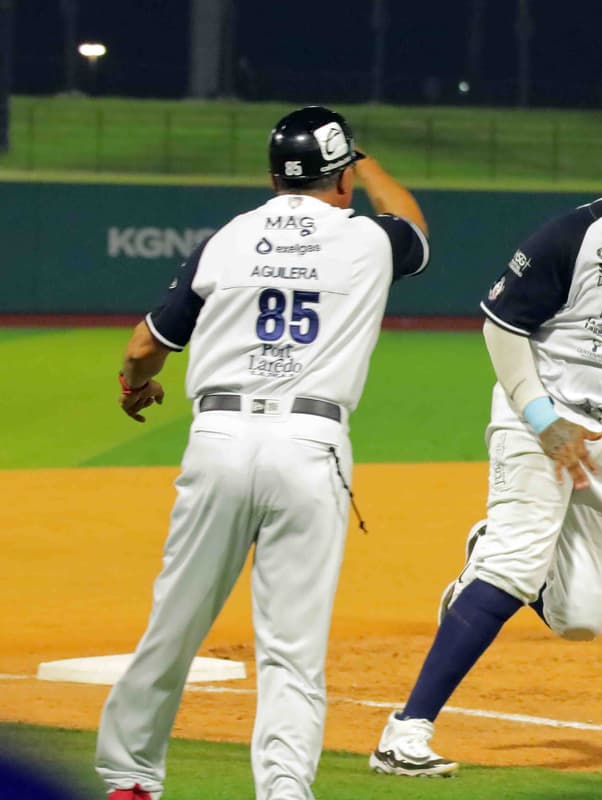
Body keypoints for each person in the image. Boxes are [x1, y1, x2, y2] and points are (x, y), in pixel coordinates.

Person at [368, 100, 602, 776]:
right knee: (514, 568)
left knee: (580, 619)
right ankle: (405, 731)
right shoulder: (573, 237)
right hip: (540, 418)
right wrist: (541, 418)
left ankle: (486, 553)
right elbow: (500, 327)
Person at [96, 106, 430, 800]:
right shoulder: (367, 239)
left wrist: (135, 386)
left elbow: (142, 348)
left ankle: (130, 779)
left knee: (173, 623)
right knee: (291, 648)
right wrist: (364, 164)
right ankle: (283, 789)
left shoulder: (230, 237)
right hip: (310, 448)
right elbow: (415, 226)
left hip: (219, 441)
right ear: (341, 177)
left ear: (273, 175)